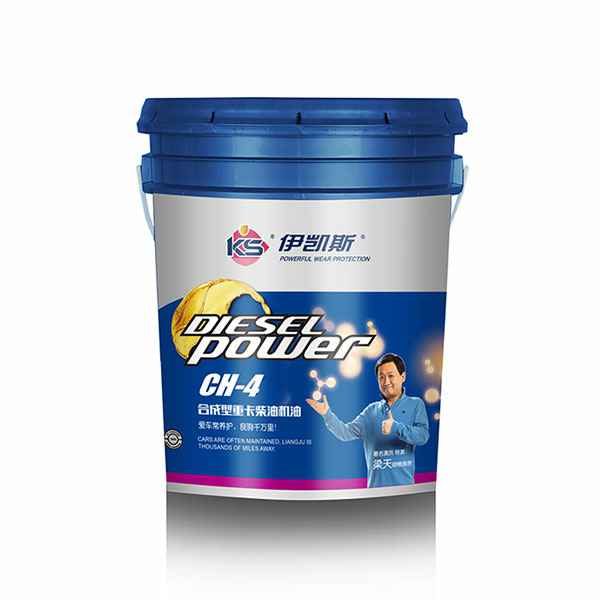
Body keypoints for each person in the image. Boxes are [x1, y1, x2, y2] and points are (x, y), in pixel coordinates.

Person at [306, 353, 429, 487]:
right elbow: (345, 433)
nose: (386, 382)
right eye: (381, 377)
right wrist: (327, 414)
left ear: (402, 376)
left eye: (391, 375)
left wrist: (395, 427)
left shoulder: (415, 404)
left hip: (404, 490)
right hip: (375, 492)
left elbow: (422, 436)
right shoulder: (371, 411)